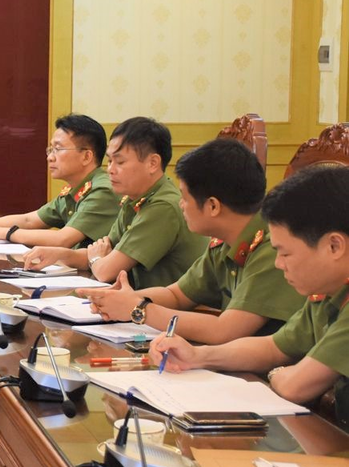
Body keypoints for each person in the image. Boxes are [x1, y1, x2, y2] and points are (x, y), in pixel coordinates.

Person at [151, 166, 349, 428]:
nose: (278, 264)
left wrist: (277, 373)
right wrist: (197, 356)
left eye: (285, 254)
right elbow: (273, 347)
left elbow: (295, 386)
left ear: (334, 246)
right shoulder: (328, 291)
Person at [83, 138, 304, 342]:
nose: (181, 205)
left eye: (185, 198)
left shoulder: (273, 249)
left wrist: (139, 309)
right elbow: (176, 295)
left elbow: (224, 331)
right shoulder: (223, 243)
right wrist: (120, 299)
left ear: (213, 206)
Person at [24, 116, 207, 287]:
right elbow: (103, 252)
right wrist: (58, 254)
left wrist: (96, 259)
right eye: (110, 161)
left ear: (152, 163)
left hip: (164, 307)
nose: (110, 169)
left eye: (119, 162)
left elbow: (105, 271)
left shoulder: (162, 206)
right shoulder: (133, 199)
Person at [0, 114, 117, 247]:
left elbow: (63, 239)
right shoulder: (74, 189)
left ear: (86, 156)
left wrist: (4, 233)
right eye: (50, 150)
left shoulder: (102, 190)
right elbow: (29, 220)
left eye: (58, 149)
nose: (50, 157)